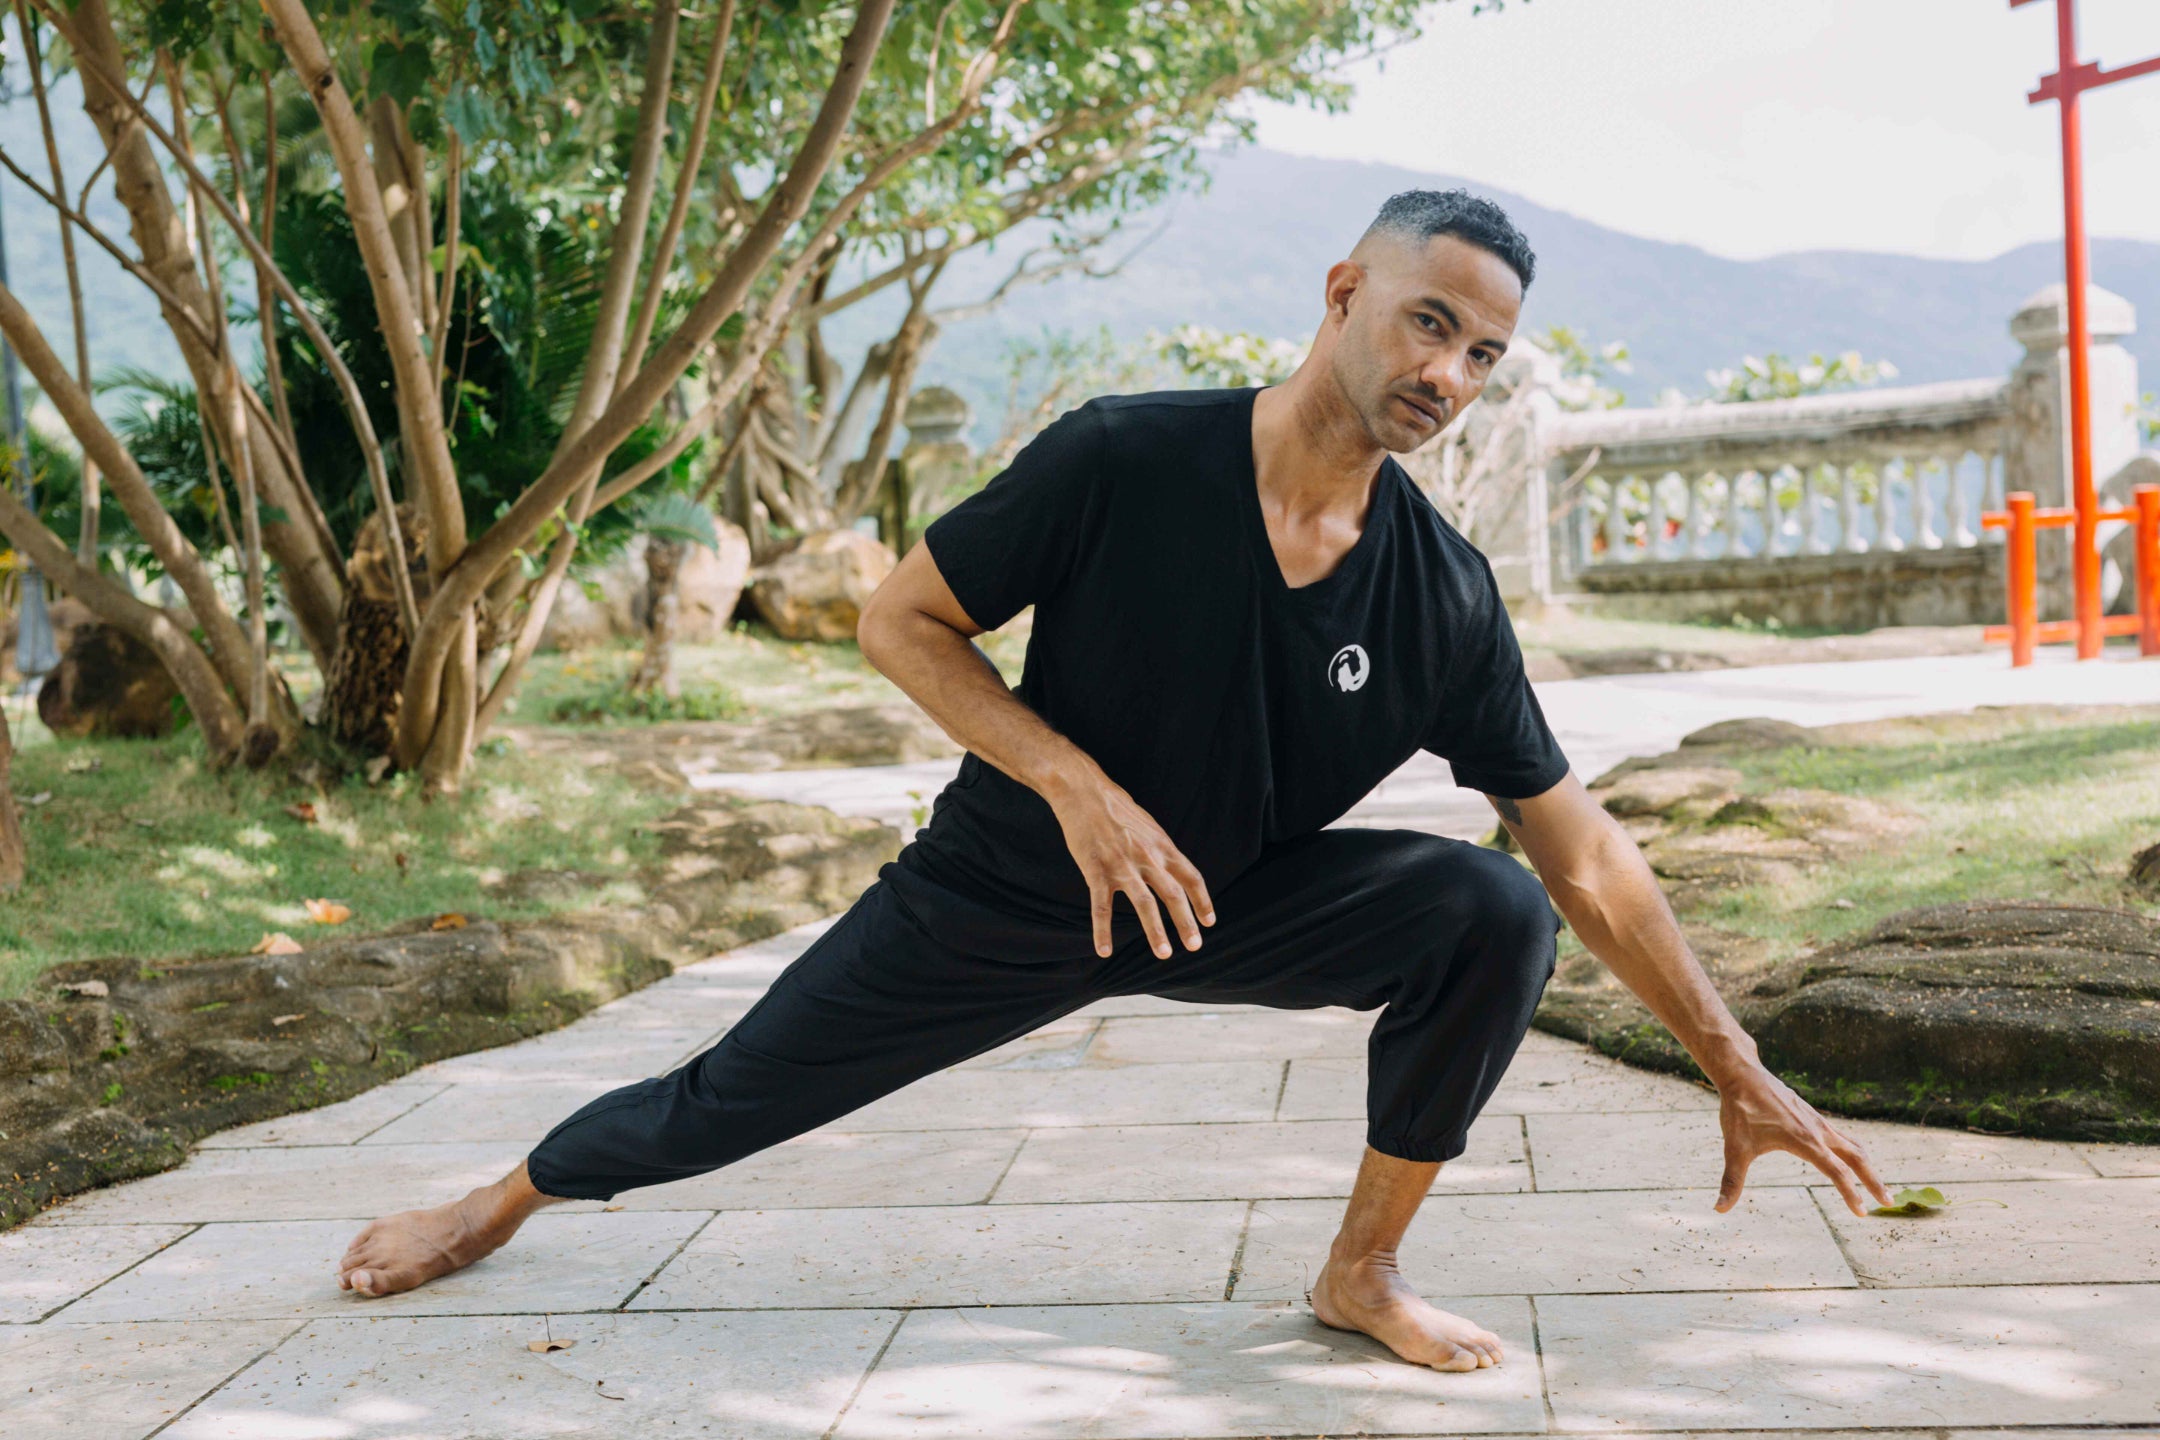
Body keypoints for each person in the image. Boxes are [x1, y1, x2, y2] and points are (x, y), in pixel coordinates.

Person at [335, 188, 1893, 1371]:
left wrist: (1731, 1059)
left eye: (1482, 353)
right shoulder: (1124, 460)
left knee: (1488, 909)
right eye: (1430, 323)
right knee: (721, 1102)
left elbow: (1587, 856)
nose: (1450, 372)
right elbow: (902, 619)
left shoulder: (1442, 595)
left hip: (1221, 903)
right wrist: (1069, 781)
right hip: (1004, 890)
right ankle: (502, 1202)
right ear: (1347, 292)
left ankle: (1361, 1275)